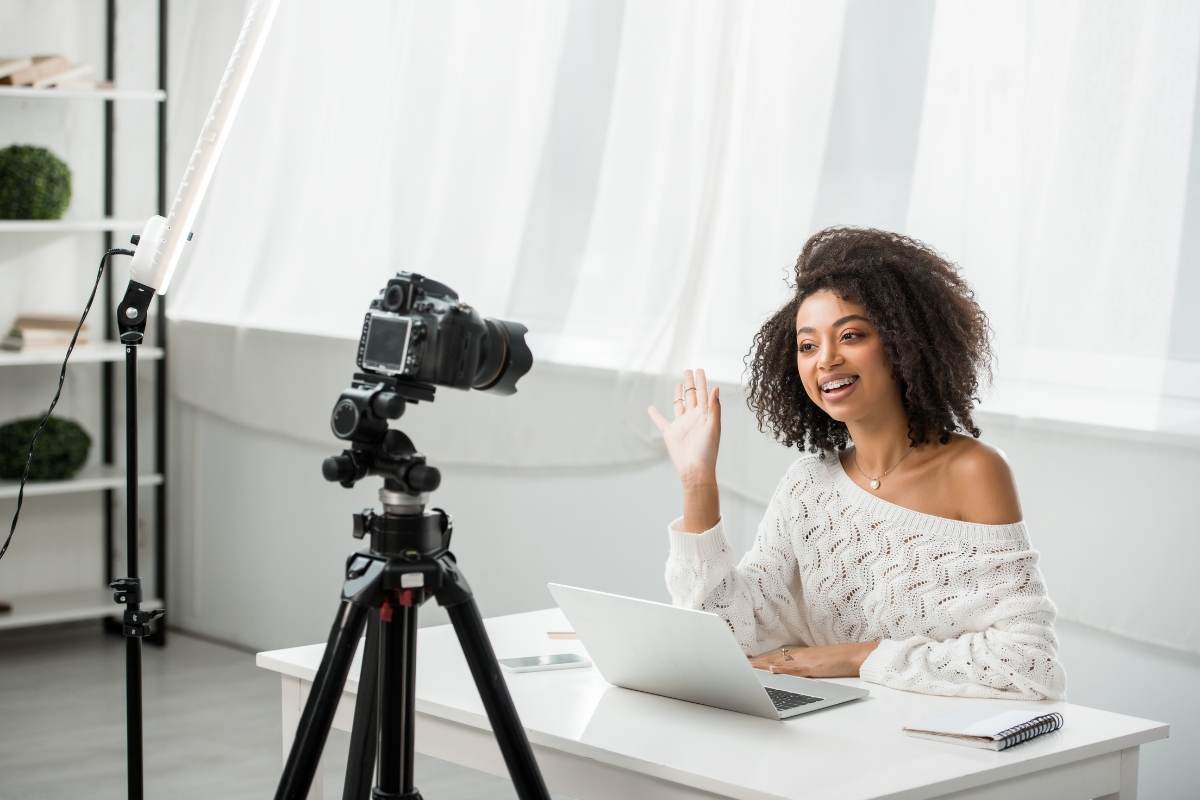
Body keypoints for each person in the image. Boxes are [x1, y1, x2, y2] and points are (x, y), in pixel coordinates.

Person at [648, 227, 1066, 700]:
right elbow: (732, 633)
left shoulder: (973, 470)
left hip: (943, 746)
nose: (826, 359)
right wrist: (697, 479)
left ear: (902, 342)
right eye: (807, 345)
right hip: (839, 736)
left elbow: (1030, 665)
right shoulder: (809, 485)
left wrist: (857, 656)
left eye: (850, 335)